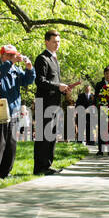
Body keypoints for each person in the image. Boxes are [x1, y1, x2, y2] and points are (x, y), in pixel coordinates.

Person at [0, 45, 36, 179]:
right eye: (9, 55)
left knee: (11, 143)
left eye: (13, 55)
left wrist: (29, 68)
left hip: (14, 109)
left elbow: (28, 81)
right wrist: (11, 62)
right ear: (2, 55)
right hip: (0, 109)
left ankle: (6, 171)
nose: (12, 57)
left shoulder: (16, 69)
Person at [34, 30, 69, 175]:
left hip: (54, 102)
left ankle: (47, 165)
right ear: (46, 42)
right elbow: (40, 81)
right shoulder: (42, 58)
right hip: (44, 103)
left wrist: (62, 89)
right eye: (54, 41)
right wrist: (58, 86)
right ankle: (40, 167)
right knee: (44, 135)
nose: (57, 44)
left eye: (59, 42)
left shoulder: (54, 59)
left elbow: (53, 81)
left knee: (52, 135)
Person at [95, 65, 109, 156]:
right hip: (103, 109)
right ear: (104, 74)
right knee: (102, 129)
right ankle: (100, 150)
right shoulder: (99, 84)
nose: (108, 75)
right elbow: (96, 97)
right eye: (107, 74)